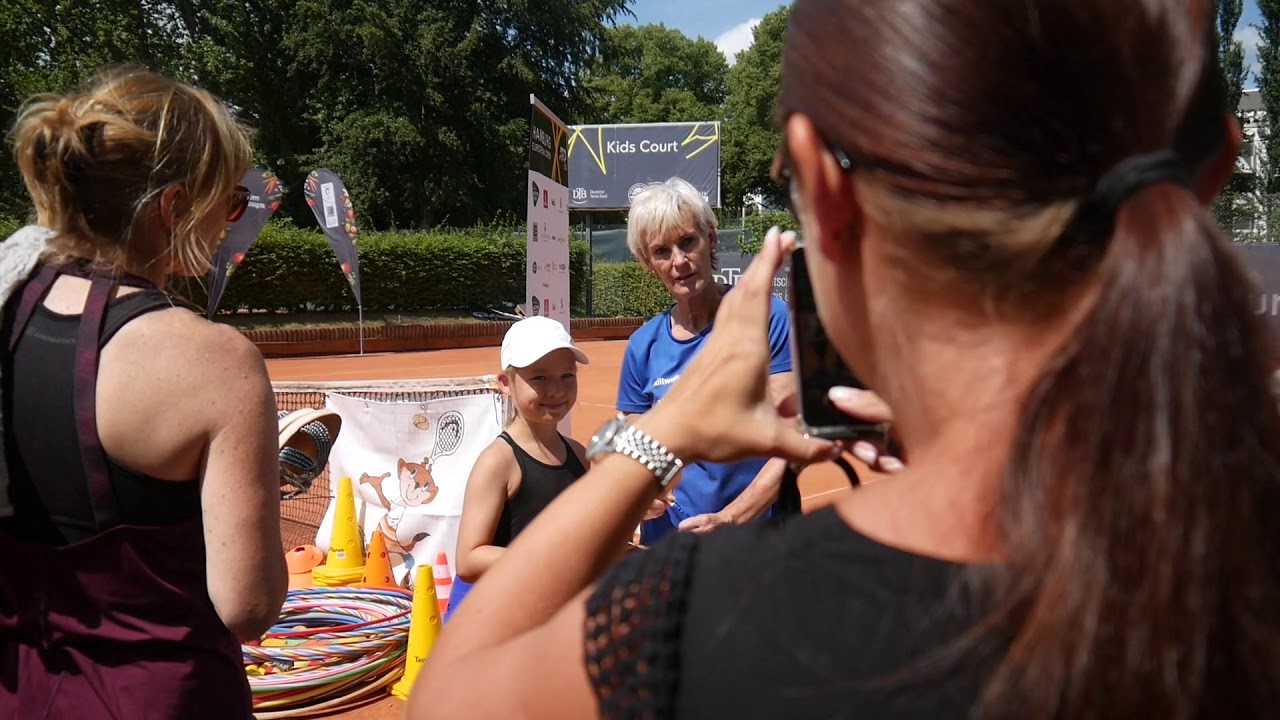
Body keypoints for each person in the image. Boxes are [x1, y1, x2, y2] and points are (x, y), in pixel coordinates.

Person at [407, 1, 1280, 718]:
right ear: (1209, 166)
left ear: (825, 192)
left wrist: (660, 435)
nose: (678, 262)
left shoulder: (708, 621)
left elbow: (447, 698)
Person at [0, 68, 287, 718]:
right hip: (162, 696)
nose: (232, 225)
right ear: (173, 206)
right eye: (232, 202)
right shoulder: (216, 363)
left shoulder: (7, 312)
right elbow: (248, 606)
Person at [616, 177, 794, 544]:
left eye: (687, 242)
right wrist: (642, 493)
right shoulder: (641, 347)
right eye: (662, 251)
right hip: (670, 546)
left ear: (710, 239)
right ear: (648, 263)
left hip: (755, 542)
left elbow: (790, 438)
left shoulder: (767, 318)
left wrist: (732, 517)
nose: (679, 261)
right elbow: (641, 451)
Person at [445, 316, 592, 620]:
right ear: (505, 384)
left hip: (559, 618)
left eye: (567, 376)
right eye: (539, 378)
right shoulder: (498, 462)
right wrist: (549, 559)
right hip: (507, 624)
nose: (556, 390)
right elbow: (469, 560)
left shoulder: (578, 453)